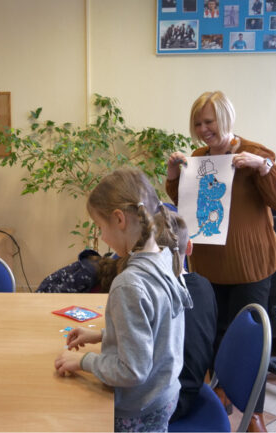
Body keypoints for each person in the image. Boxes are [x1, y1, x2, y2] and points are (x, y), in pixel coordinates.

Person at [166, 91, 276, 431]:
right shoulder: (199, 157)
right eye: (198, 123)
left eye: (209, 121)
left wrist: (261, 167)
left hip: (250, 264)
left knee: (250, 340)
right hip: (208, 264)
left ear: (225, 118)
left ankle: (254, 412)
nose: (203, 129)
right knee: (210, 334)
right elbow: (184, 203)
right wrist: (174, 174)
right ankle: (216, 393)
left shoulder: (255, 153)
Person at [54, 168, 193, 432]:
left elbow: (132, 371)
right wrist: (100, 336)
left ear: (119, 219)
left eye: (100, 227)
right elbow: (153, 329)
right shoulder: (167, 257)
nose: (102, 237)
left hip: (138, 407)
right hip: (165, 394)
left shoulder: (128, 284)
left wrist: (84, 362)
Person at [155, 211, 217, 423]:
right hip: (192, 389)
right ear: (189, 247)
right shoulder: (204, 285)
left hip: (169, 403)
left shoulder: (157, 294)